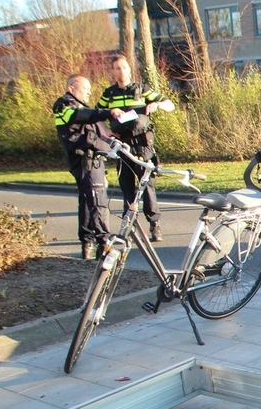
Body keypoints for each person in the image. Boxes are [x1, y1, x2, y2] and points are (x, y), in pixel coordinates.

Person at [97, 54, 175, 242]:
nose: (121, 71)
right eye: (117, 68)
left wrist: (156, 104)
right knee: (126, 186)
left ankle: (154, 224)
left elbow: (170, 105)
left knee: (146, 184)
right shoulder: (109, 94)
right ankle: (129, 227)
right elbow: (96, 115)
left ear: (129, 69)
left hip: (142, 144)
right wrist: (107, 130)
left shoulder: (141, 89)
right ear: (113, 71)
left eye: (124, 67)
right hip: (122, 144)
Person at [53, 75, 123, 259]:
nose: (89, 93)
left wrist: (113, 140)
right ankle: (104, 244)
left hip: (92, 161)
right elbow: (82, 118)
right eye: (85, 89)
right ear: (71, 88)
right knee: (98, 202)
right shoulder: (65, 106)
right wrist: (108, 112)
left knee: (87, 201)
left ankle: (88, 243)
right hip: (86, 161)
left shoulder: (82, 108)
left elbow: (98, 129)